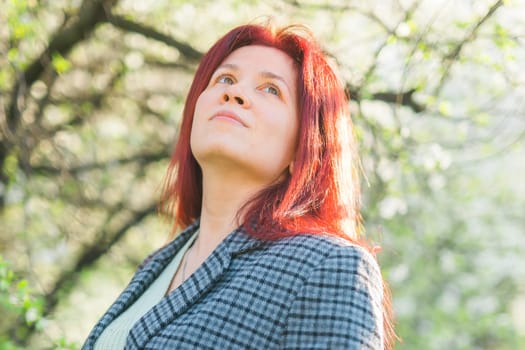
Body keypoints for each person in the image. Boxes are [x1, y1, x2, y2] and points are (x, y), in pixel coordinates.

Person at [83, 22, 396, 349]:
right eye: (225, 79)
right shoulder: (156, 264)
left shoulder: (329, 267)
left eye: (271, 89)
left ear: (303, 146)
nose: (234, 93)